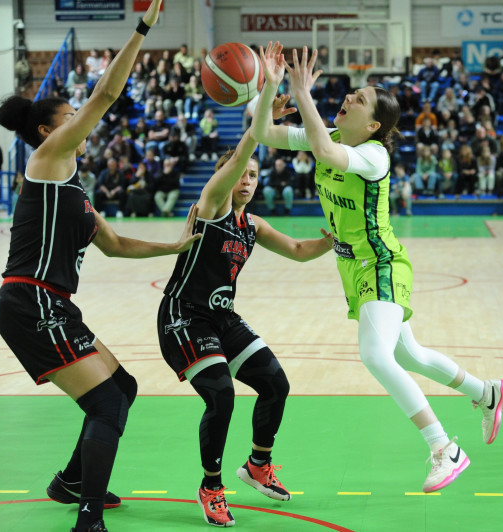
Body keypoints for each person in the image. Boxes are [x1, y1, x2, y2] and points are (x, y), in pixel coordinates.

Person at [251, 44, 503, 493]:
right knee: (411, 356)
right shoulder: (330, 134)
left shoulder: (375, 156)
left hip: (382, 264)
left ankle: (444, 448)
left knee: (375, 355)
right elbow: (263, 135)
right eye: (353, 93)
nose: (349, 97)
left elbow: (326, 153)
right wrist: (272, 88)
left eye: (361, 99)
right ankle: (486, 392)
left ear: (373, 125)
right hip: (354, 269)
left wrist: (302, 92)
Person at [0, 4, 202, 532]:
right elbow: (106, 94)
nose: (80, 121)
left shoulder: (74, 188)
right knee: (107, 405)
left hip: (52, 304)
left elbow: (115, 244)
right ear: (48, 130)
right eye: (70, 116)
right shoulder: (47, 161)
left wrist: (175, 247)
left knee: (122, 388)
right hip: (31, 301)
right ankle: (87, 519)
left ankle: (70, 482)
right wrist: (143, 28)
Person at [157, 84, 332, 527]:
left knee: (276, 384)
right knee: (221, 395)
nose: (247, 180)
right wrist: (261, 122)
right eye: (241, 174)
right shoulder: (211, 206)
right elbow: (237, 158)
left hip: (221, 317)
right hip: (184, 316)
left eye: (254, 175)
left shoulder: (252, 225)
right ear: (224, 178)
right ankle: (211, 487)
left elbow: (297, 249)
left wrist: (334, 241)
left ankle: (258, 464)